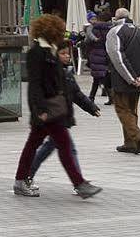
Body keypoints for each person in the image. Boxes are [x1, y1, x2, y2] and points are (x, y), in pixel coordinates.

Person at [14, 15, 103, 199]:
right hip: (48, 110)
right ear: (51, 32)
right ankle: (79, 184)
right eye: (60, 31)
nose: (62, 34)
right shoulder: (37, 53)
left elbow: (62, 83)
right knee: (61, 145)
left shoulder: (51, 51)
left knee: (37, 145)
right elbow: (35, 84)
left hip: (53, 109)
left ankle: (21, 180)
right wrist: (40, 110)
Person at [25, 40, 101, 189]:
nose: (66, 56)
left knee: (49, 147)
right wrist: (40, 111)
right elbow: (37, 91)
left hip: (59, 116)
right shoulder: (52, 72)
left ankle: (28, 174)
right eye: (63, 53)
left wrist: (91, 107)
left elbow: (76, 94)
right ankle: (79, 184)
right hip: (53, 117)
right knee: (67, 149)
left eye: (68, 53)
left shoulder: (66, 73)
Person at [103, 7, 140, 155]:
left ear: (116, 18)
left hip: (122, 80)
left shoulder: (114, 32)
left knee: (122, 109)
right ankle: (130, 143)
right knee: (132, 110)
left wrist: (131, 78)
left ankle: (138, 137)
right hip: (139, 79)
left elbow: (117, 58)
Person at [84, 9, 113, 102]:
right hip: (107, 54)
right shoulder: (111, 29)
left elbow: (87, 42)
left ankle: (92, 97)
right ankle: (95, 96)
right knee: (103, 77)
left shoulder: (94, 29)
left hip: (95, 54)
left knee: (98, 77)